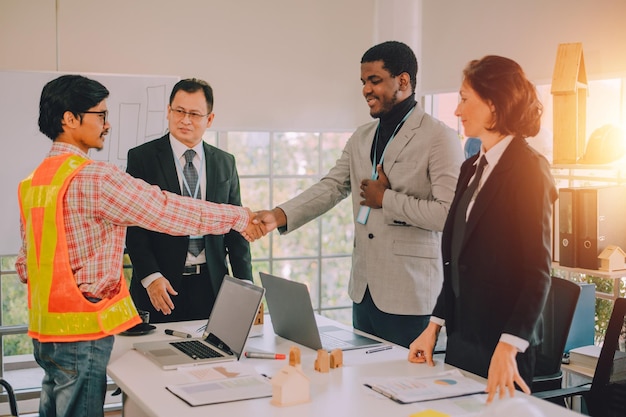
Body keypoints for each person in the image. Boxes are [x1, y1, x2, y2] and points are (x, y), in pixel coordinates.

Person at [15, 74, 261, 417]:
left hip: (45, 332)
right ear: (70, 119)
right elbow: (167, 210)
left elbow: (25, 266)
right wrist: (238, 217)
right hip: (82, 333)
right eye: (99, 115)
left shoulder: (33, 181)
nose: (107, 124)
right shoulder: (94, 178)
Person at [255, 41, 463, 348]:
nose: (366, 89)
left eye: (374, 80)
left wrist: (387, 200)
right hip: (363, 291)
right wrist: (278, 215)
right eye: (364, 82)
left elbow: (449, 214)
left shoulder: (439, 137)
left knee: (406, 385)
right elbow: (331, 187)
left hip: (411, 296)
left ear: (403, 81)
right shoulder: (362, 136)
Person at [407, 56, 557, 403]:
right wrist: (434, 327)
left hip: (505, 345)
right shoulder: (471, 166)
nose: (457, 110)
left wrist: (509, 346)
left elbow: (538, 272)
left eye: (464, 98)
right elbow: (458, 261)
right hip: (463, 338)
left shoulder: (530, 170)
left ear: (493, 104)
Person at [125, 78, 252, 323]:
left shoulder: (225, 162)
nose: (185, 120)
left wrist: (245, 285)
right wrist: (150, 276)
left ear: (210, 119)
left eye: (194, 114)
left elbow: (236, 228)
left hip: (212, 285)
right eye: (179, 111)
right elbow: (133, 225)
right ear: (168, 111)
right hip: (160, 287)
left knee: (212, 358)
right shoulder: (142, 158)